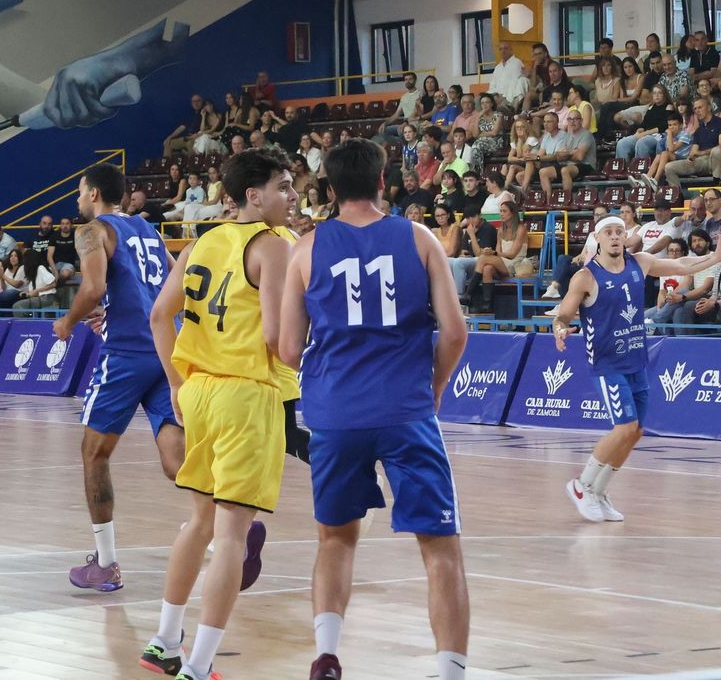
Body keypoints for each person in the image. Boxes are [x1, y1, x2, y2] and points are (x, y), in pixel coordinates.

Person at [279, 138, 471, 680]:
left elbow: (288, 349)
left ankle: (326, 654)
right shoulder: (419, 238)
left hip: (335, 415)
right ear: (383, 181)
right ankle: (451, 671)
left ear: (329, 188)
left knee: (336, 539)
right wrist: (434, 386)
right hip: (405, 410)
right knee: (441, 548)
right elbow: (455, 332)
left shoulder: (306, 249)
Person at [140, 150, 294, 680]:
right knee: (231, 535)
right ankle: (199, 665)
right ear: (254, 195)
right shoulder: (271, 246)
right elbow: (275, 336)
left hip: (199, 391)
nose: (292, 195)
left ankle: (164, 640)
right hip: (245, 395)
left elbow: (159, 316)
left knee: (199, 521)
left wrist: (176, 382)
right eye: (283, 186)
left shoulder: (200, 241)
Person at [47, 163, 190, 595]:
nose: (77, 199)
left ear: (93, 193)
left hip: (127, 354)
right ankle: (228, 525)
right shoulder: (147, 229)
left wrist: (67, 321)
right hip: (167, 348)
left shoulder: (92, 231)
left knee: (95, 453)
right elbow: (175, 280)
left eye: (79, 191)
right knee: (177, 459)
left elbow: (92, 288)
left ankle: (106, 564)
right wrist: (123, 309)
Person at [549, 216, 721, 521]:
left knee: (635, 432)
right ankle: (582, 485)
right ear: (598, 238)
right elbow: (563, 315)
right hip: (607, 363)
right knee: (624, 428)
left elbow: (682, 265)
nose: (614, 236)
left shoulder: (640, 262)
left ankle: (599, 491)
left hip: (636, 359)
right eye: (608, 232)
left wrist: (715, 258)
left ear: (625, 236)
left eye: (619, 232)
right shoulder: (586, 277)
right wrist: (560, 329)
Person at [662, 96, 721, 187]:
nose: (697, 111)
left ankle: (716, 184)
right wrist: (691, 156)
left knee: (716, 151)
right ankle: (677, 194)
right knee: (669, 167)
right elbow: (693, 151)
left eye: (700, 107)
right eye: (695, 109)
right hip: (701, 161)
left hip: (719, 160)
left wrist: (701, 153)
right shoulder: (698, 130)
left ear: (709, 107)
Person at [488, 41, 529, 108]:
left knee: (521, 80)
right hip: (496, 97)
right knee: (478, 99)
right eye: (500, 49)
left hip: (509, 97)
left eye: (505, 48)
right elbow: (493, 84)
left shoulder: (516, 63)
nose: (503, 51)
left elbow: (515, 83)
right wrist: (495, 95)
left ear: (511, 50)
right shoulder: (497, 67)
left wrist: (503, 96)